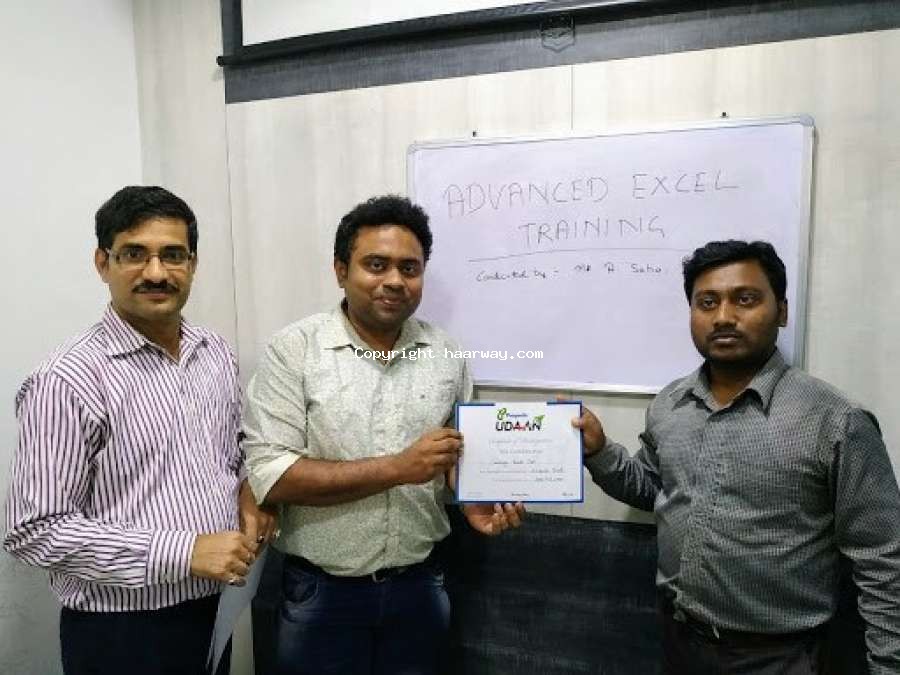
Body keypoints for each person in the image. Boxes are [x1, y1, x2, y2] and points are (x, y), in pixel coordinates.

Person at [575, 240, 900, 675]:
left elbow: (883, 558)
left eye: (745, 299)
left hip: (782, 658)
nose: (724, 317)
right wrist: (598, 451)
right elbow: (654, 489)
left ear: (781, 311)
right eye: (707, 302)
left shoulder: (836, 421)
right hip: (679, 641)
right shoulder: (670, 404)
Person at [243, 194, 525, 675]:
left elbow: (457, 456)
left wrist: (472, 498)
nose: (394, 280)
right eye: (376, 265)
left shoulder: (446, 354)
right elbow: (273, 475)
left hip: (421, 588)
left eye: (409, 268)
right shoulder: (294, 350)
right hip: (322, 595)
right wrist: (398, 468)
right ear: (340, 270)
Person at [3, 186, 276, 675]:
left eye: (172, 255)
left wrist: (248, 491)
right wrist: (185, 552)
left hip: (215, 608)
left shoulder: (213, 352)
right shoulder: (67, 379)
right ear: (102, 263)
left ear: (192, 264)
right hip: (122, 632)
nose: (156, 272)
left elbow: (230, 454)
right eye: (134, 254)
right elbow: (34, 529)